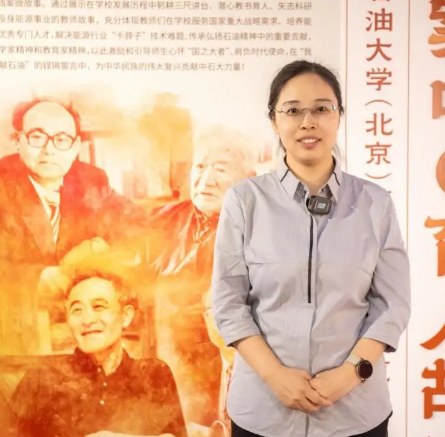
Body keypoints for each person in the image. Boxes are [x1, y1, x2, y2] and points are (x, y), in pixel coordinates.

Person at [211, 60, 411, 437]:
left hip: (354, 413)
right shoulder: (244, 201)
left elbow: (392, 305)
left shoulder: (375, 203)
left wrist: (350, 374)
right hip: (264, 411)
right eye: (293, 110)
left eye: (321, 108)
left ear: (339, 116)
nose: (308, 122)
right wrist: (275, 376)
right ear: (274, 120)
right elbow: (228, 303)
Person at [0, 97, 146, 356]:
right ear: (18, 140)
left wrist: (98, 249)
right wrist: (37, 279)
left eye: (61, 139)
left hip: (80, 313)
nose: (49, 150)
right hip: (17, 322)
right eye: (37, 137)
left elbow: (135, 224)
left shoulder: (90, 179)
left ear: (76, 146)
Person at [147, 126, 258, 428]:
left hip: (234, 372)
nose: (206, 180)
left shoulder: (263, 231)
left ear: (249, 178)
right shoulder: (161, 221)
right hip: (168, 367)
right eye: (199, 166)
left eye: (220, 169)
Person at [9, 254, 188, 437]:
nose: (87, 320)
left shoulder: (154, 375)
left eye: (99, 307)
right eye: (77, 310)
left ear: (126, 316)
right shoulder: (40, 381)